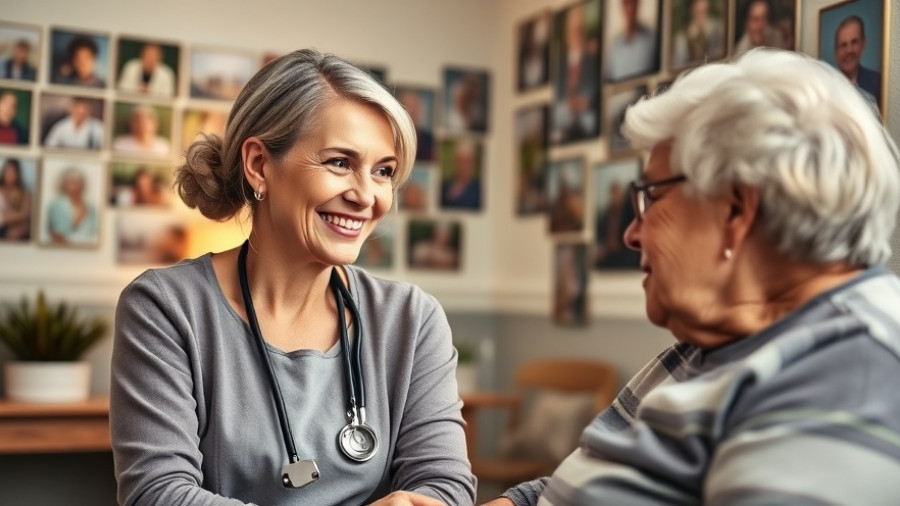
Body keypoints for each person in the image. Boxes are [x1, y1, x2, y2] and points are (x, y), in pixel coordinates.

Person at [484, 48, 900, 505]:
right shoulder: (703, 347)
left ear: (736, 210)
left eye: (651, 199)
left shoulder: (854, 371)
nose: (630, 234)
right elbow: (580, 483)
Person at [110, 49, 475, 506]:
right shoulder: (165, 308)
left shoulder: (412, 319)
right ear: (259, 165)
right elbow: (158, 495)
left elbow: (445, 488)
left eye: (383, 171)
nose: (367, 197)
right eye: (340, 162)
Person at [553, 2, 600, 143]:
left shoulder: (593, 60)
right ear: (567, 34)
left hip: (586, 119)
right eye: (573, 30)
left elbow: (594, 97)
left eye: (580, 30)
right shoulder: (559, 66)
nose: (576, 35)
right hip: (564, 118)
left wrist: (584, 103)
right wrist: (568, 106)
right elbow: (557, 100)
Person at [833, 15, 881, 108]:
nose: (849, 50)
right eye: (843, 45)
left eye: (854, 42)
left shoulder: (878, 83)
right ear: (836, 51)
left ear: (863, 43)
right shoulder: (824, 87)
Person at [605, 0, 658, 82]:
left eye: (632, 3)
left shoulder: (652, 40)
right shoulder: (614, 47)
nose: (630, 9)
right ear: (622, 7)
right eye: (626, 4)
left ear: (637, 4)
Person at [46, 166, 98, 245]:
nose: (75, 187)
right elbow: (56, 233)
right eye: (71, 183)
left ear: (83, 185)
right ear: (64, 185)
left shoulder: (91, 207)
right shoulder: (56, 206)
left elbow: (94, 232)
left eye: (78, 183)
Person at [672, 0, 725, 67]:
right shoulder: (682, 37)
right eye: (698, 12)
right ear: (692, 10)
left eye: (703, 11)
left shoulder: (716, 30)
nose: (701, 16)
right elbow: (679, 64)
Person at [440, 139, 481, 209]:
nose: (463, 166)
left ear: (473, 163)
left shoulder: (478, 188)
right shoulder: (444, 185)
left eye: (466, 161)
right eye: (460, 161)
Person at [0, 158, 32, 241]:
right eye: (7, 171)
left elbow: (24, 214)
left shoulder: (25, 193)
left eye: (12, 172)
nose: (9, 175)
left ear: (17, 174)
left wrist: (8, 218)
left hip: (17, 232)